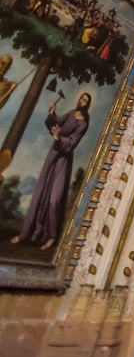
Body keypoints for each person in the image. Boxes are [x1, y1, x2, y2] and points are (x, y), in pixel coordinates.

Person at [11, 93, 92, 250]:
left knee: (55, 198)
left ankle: (51, 236)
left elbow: (72, 142)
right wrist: (53, 113)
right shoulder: (70, 113)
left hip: (64, 158)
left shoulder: (83, 124)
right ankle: (26, 234)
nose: (81, 101)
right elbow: (56, 124)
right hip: (53, 153)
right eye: (81, 98)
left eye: (85, 101)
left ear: (88, 105)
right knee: (41, 191)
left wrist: (58, 138)